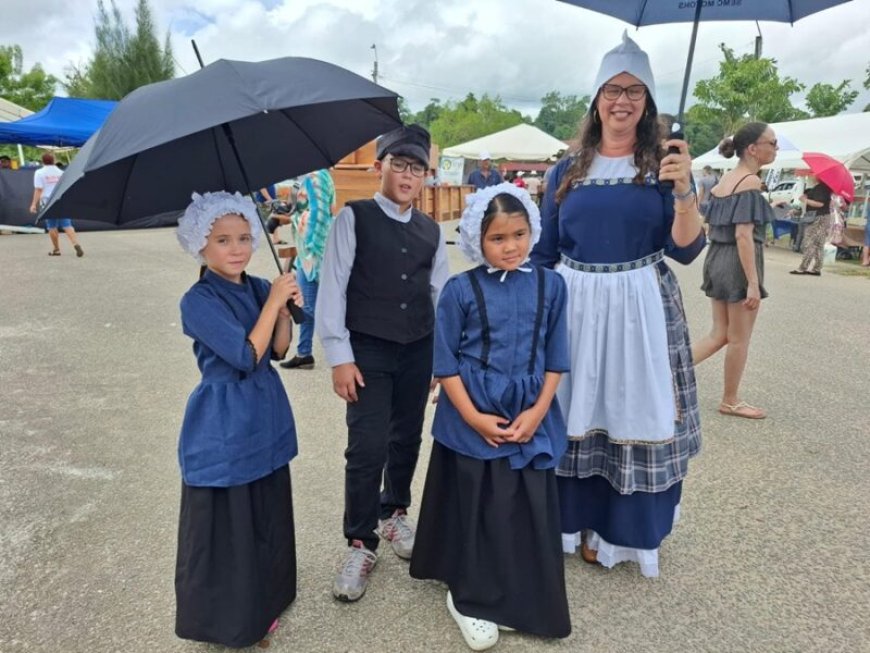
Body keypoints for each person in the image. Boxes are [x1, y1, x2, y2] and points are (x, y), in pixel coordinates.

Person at [530, 31, 706, 578]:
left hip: (640, 307)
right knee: (575, 407)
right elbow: (545, 252)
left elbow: (686, 248)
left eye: (634, 91)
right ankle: (568, 522)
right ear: (597, 99)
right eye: (612, 90)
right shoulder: (567, 171)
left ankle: (617, 532)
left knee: (630, 408)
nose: (622, 101)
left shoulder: (666, 168)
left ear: (648, 102)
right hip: (577, 305)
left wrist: (683, 192)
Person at [410, 184, 571, 650]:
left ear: (532, 232)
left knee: (523, 503)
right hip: (472, 412)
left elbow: (557, 358)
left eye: (519, 234)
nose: (511, 246)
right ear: (477, 241)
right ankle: (469, 596)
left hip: (530, 410)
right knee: (478, 503)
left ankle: (518, 586)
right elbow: (445, 364)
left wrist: (539, 411)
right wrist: (475, 418)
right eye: (498, 238)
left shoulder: (550, 284)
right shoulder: (461, 290)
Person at [316, 124, 450, 602]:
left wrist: (442, 356)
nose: (409, 175)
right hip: (368, 348)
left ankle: (394, 512)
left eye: (418, 168)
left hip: (417, 346)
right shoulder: (353, 219)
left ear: (426, 176)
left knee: (406, 438)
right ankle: (359, 540)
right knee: (367, 445)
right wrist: (339, 356)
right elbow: (332, 289)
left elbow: (441, 295)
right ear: (381, 167)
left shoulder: (431, 231)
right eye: (400, 165)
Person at [173, 191, 303, 648]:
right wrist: (271, 306)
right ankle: (230, 619)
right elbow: (245, 355)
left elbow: (280, 349)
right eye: (223, 240)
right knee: (232, 519)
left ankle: (267, 597)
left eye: (245, 237)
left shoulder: (258, 288)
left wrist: (283, 309)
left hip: (263, 411)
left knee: (264, 510)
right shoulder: (198, 301)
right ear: (200, 246)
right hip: (224, 422)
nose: (237, 249)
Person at [692, 123, 778, 420]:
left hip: (716, 257)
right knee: (739, 337)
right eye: (772, 143)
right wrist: (753, 283)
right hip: (738, 263)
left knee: (719, 334)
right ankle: (730, 400)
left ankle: (664, 373)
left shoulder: (724, 181)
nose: (775, 148)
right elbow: (743, 235)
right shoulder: (750, 183)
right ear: (753, 148)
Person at [280, 168, 336, 370]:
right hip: (307, 251)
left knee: (310, 306)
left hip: (314, 251)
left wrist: (313, 246)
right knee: (308, 301)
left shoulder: (316, 176)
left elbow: (320, 215)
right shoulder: (309, 176)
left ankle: (342, 350)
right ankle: (304, 353)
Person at [30, 152, 84, 257]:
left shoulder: (39, 172)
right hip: (61, 200)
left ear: (42, 161)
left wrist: (33, 204)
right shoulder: (61, 172)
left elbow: (38, 189)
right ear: (54, 160)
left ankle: (56, 249)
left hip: (47, 202)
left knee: (52, 226)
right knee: (67, 225)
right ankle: (76, 244)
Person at [790, 179, 834, 276]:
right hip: (823, 217)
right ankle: (817, 268)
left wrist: (805, 200)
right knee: (818, 243)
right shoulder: (824, 188)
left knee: (809, 241)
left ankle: (803, 267)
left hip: (818, 217)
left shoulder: (821, 188)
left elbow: (819, 204)